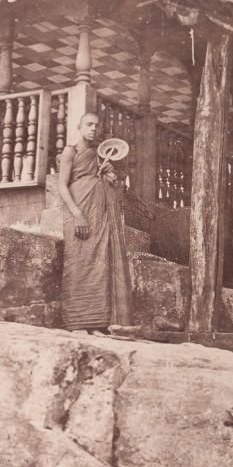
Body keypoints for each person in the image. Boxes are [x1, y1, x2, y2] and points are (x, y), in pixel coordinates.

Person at [57, 112, 133, 333]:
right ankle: (77, 322)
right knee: (78, 261)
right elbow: (62, 186)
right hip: (79, 211)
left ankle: (96, 323)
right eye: (88, 125)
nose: (93, 129)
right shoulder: (71, 151)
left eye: (96, 126)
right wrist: (77, 214)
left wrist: (109, 175)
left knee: (99, 263)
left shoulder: (99, 154)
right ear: (78, 127)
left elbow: (113, 184)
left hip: (100, 215)